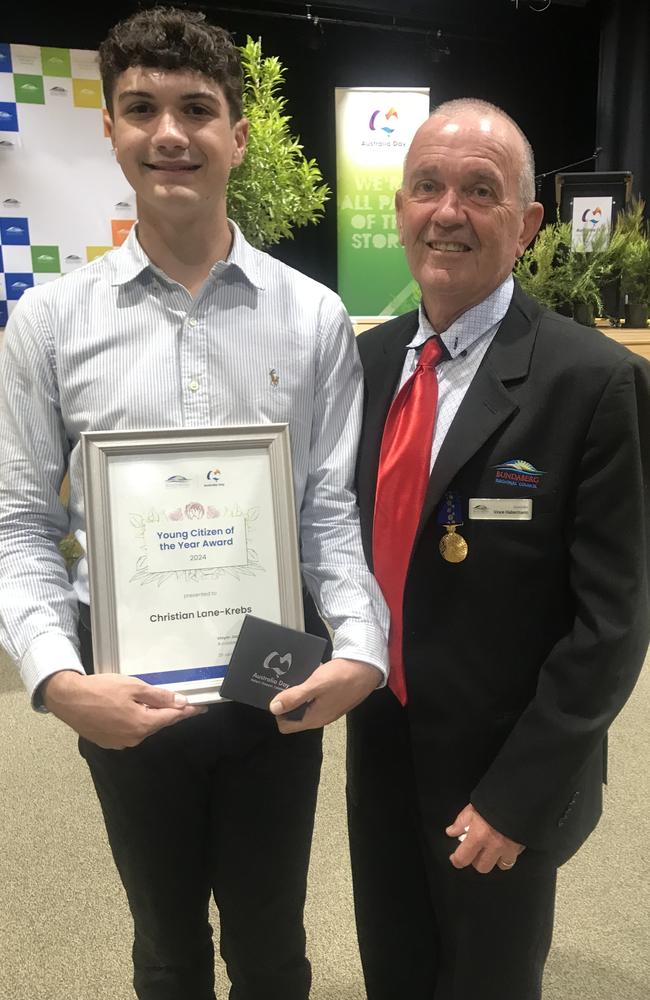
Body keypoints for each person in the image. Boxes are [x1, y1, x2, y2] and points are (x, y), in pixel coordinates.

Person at [0, 8, 388, 1000]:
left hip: (275, 676)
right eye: (141, 109)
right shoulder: (48, 325)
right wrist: (53, 678)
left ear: (237, 134)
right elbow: (18, 520)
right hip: (122, 688)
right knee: (165, 944)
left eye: (196, 109)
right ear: (112, 130)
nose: (168, 131)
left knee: (270, 943)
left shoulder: (311, 317)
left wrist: (360, 641)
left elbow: (327, 512)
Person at [336, 98, 650, 1000]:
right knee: (392, 967)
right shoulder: (366, 364)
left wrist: (518, 796)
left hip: (503, 770)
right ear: (400, 209)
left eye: (481, 190)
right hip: (381, 747)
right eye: (427, 186)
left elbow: (611, 628)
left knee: (488, 981)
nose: (449, 211)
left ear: (528, 223)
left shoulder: (594, 384)